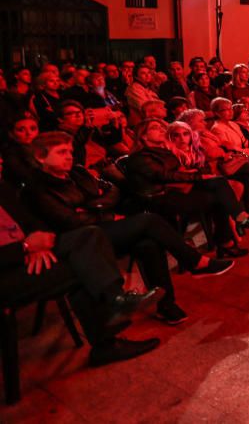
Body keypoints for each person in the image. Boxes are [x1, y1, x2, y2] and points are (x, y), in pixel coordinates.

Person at [26, 132, 233, 325]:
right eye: (62, 152)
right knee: (148, 220)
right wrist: (103, 211)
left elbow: (112, 190)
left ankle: (166, 304)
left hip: (102, 227)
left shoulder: (77, 173)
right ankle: (195, 261)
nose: (69, 157)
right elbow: (71, 222)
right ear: (40, 157)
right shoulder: (37, 189)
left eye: (70, 152)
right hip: (83, 241)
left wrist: (93, 206)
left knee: (149, 243)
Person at [1, 156, 163, 367]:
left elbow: (31, 221)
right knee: (84, 266)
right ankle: (106, 341)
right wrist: (24, 248)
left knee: (90, 236)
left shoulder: (2, 189)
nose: (3, 160)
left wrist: (35, 240)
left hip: (27, 253)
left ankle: (117, 301)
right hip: (6, 274)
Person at [128, 119, 249, 257]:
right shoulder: (140, 157)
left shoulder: (162, 151)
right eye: (155, 128)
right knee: (219, 194)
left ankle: (236, 225)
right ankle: (228, 236)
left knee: (220, 184)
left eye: (162, 126)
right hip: (160, 198)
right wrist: (198, 177)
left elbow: (177, 170)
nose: (162, 129)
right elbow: (163, 175)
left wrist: (194, 175)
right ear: (143, 136)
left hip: (177, 189)